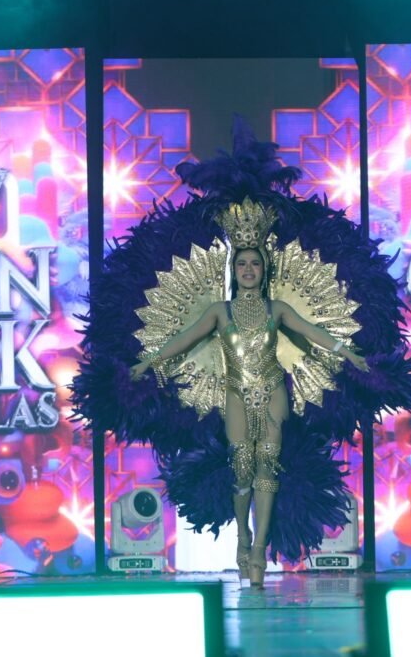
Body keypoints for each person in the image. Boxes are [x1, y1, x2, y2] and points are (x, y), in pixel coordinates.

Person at [130, 201, 369, 588]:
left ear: (264, 268)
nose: (248, 269)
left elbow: (312, 331)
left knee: (267, 466)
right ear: (233, 269)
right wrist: (149, 361)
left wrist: (347, 352)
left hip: (272, 391)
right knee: (242, 467)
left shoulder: (278, 308)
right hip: (236, 393)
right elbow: (185, 338)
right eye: (241, 263)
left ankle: (259, 550)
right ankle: (243, 535)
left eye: (255, 263)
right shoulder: (220, 312)